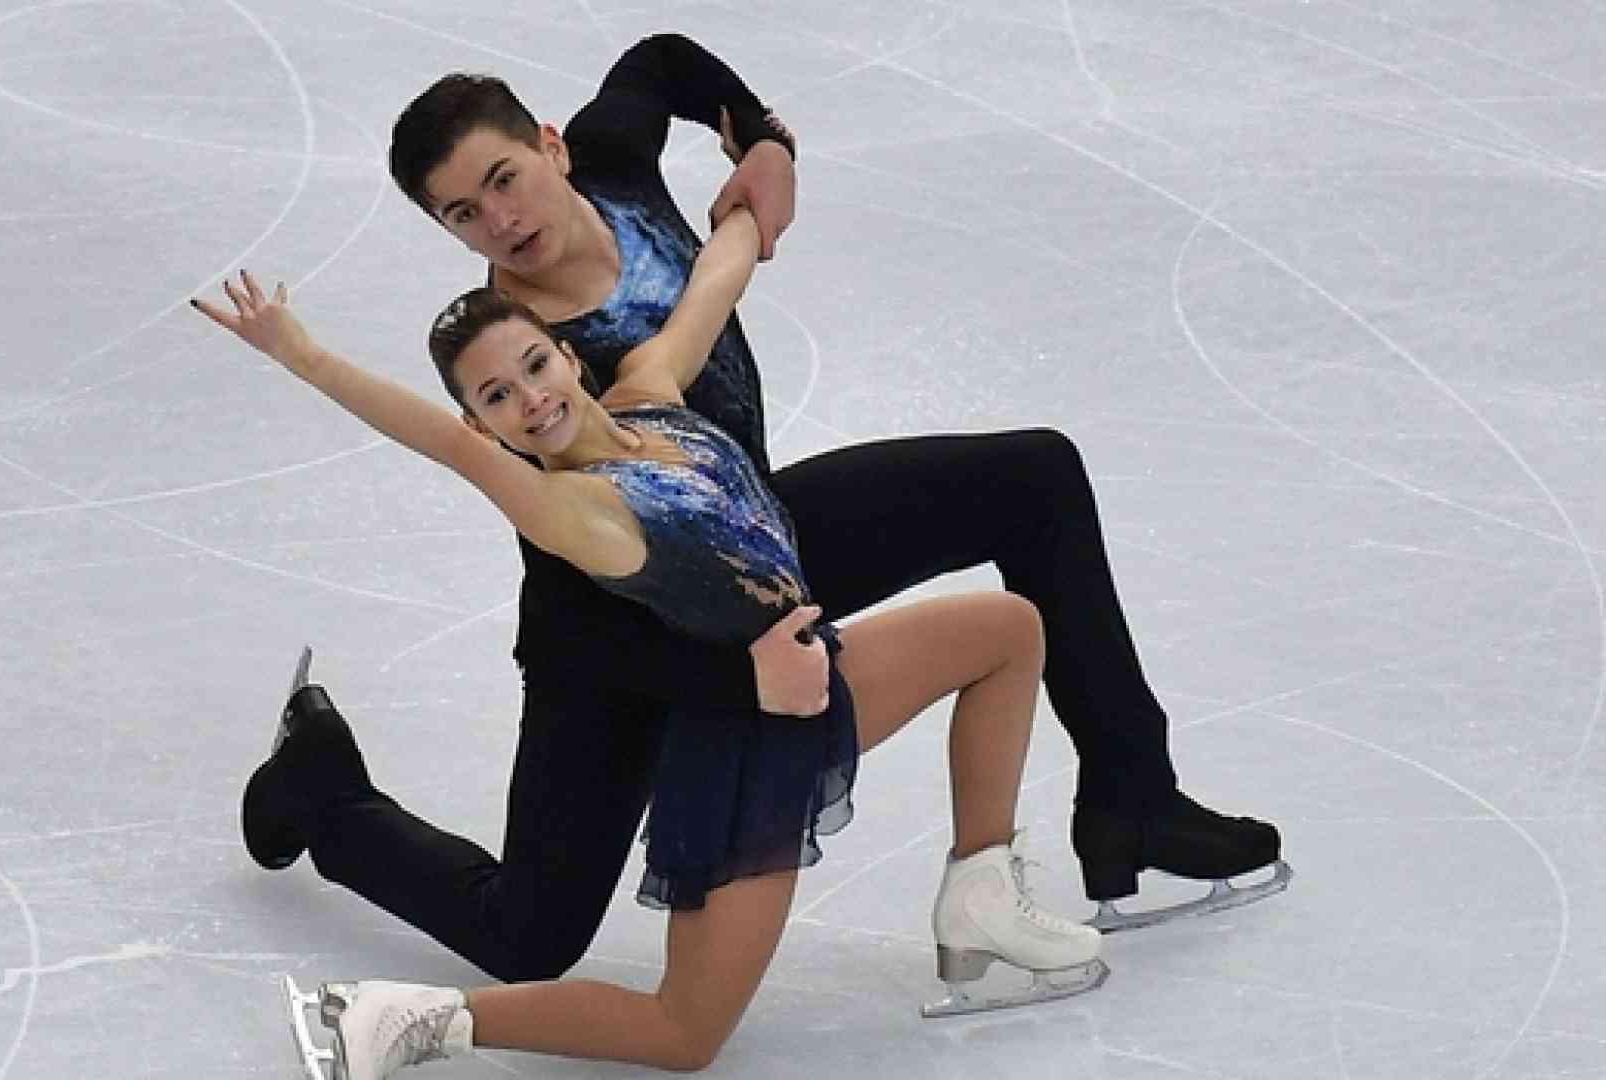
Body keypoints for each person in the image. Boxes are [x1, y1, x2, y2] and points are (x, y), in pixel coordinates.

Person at [241, 33, 1286, 985]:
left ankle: (1132, 798)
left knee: (1034, 479)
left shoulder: (613, 166)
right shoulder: (536, 375)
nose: (500, 221)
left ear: (553, 147)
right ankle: (324, 794)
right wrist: (738, 678)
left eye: (503, 180)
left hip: (755, 535)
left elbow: (659, 63)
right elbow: (574, 588)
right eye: (462, 214)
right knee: (530, 937)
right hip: (621, 624)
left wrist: (765, 141)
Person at [191, 205, 1106, 1078]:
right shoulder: (574, 509)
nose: (530, 400)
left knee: (1007, 630)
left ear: (568, 357)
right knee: (684, 1031)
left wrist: (754, 172)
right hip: (746, 751)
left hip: (811, 676)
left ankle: (980, 891)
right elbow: (441, 443)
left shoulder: (651, 398)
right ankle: (408, 1019)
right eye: (498, 397)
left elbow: (713, 287)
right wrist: (302, 354)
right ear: (483, 423)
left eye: (534, 366)